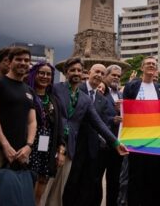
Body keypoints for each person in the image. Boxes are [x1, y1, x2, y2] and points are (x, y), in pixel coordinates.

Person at [47, 58, 127, 206]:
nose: (76, 73)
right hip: (53, 144)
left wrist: (116, 143)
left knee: (60, 189)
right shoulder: (56, 88)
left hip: (70, 147)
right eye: (73, 70)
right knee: (44, 186)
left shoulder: (85, 99)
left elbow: (98, 123)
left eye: (78, 70)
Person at [0, 47, 37, 204]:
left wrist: (29, 146)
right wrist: (5, 145)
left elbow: (32, 121)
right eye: (18, 59)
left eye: (26, 60)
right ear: (9, 62)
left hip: (20, 152)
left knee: (14, 197)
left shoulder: (29, 90)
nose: (23, 63)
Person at [123, 56, 160, 206]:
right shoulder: (132, 86)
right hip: (137, 140)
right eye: (148, 63)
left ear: (156, 69)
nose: (151, 66)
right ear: (142, 68)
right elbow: (125, 110)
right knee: (136, 176)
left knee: (156, 176)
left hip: (156, 141)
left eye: (153, 64)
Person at [80, 64, 117, 206]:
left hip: (94, 148)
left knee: (90, 185)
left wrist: (114, 142)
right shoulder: (78, 89)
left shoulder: (102, 100)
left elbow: (101, 123)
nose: (98, 75)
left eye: (102, 73)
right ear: (89, 72)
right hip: (74, 146)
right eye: (96, 71)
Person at [27, 61, 61, 205]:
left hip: (47, 144)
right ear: (34, 74)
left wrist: (60, 147)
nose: (45, 76)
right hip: (29, 143)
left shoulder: (53, 99)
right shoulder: (27, 93)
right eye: (41, 73)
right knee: (28, 179)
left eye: (48, 74)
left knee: (43, 178)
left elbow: (58, 124)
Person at [103, 65, 124, 206]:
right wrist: (112, 119)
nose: (116, 77)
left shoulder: (121, 95)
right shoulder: (100, 92)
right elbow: (95, 115)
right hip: (102, 143)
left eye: (118, 76)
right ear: (106, 75)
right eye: (113, 75)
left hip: (117, 143)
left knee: (115, 180)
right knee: (94, 179)